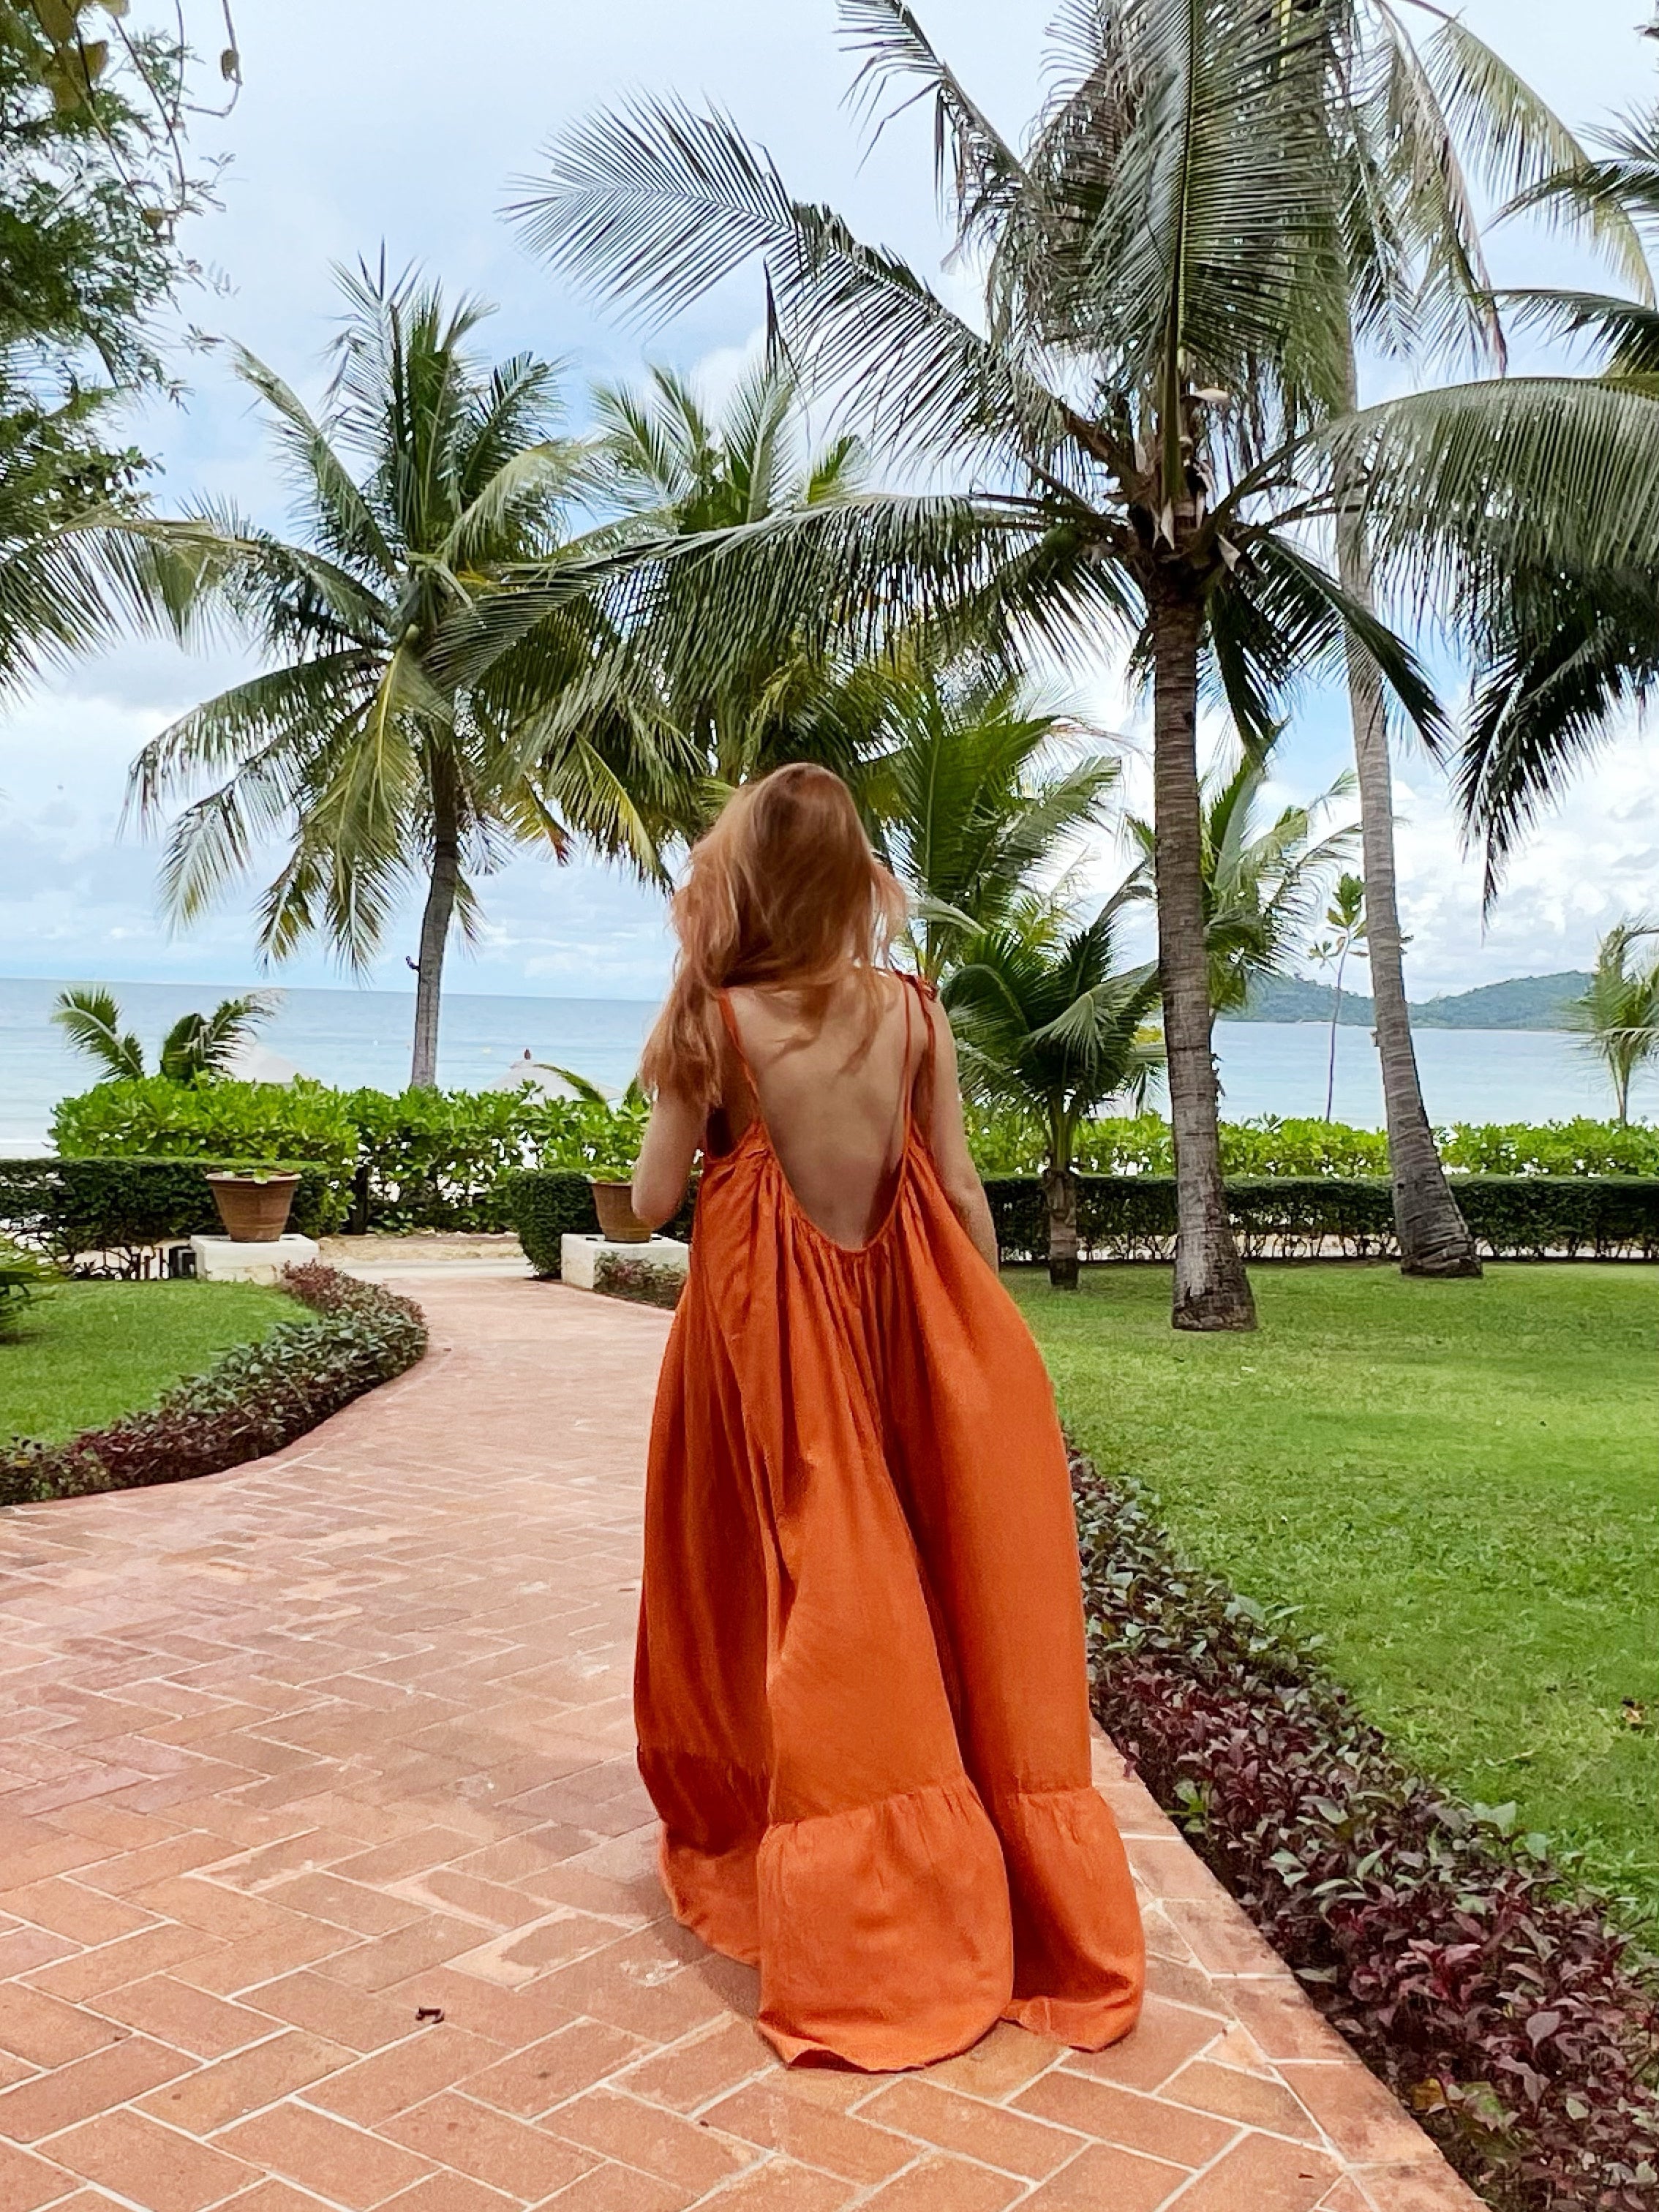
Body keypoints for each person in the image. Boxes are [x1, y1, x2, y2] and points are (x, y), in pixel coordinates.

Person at [628, 762, 1145, 2071]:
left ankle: (880, 1923)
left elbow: (645, 1207)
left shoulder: (717, 1020)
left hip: (771, 1356)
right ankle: (992, 1873)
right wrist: (988, 1355)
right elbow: (962, 1195)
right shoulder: (915, 1013)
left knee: (815, 1601)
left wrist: (696, 1127)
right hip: (911, 1334)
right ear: (855, 880)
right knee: (934, 1581)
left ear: (742, 879)